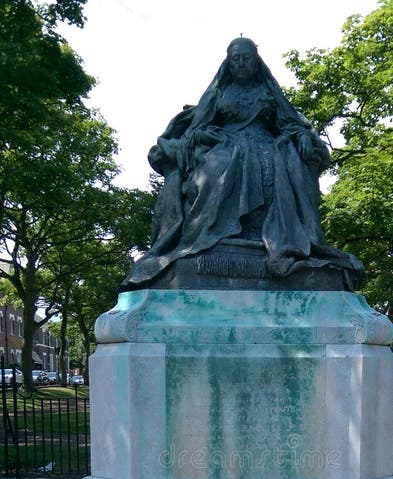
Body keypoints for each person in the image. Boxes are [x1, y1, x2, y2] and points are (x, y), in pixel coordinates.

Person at [123, 37, 364, 290]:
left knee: (284, 163)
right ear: (228, 62)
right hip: (225, 144)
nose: (240, 63)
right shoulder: (219, 93)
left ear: (255, 60)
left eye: (245, 58)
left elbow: (289, 122)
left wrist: (302, 135)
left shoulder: (269, 93)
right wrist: (204, 135)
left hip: (267, 143)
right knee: (215, 168)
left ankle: (276, 238)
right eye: (235, 58)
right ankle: (210, 232)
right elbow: (195, 130)